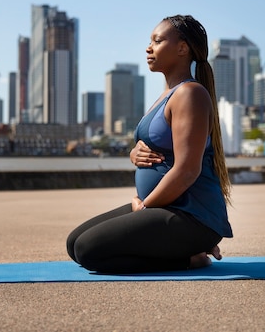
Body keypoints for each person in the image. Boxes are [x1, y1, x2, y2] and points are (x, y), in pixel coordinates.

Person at [66, 15, 233, 273]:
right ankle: (183, 250)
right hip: (163, 208)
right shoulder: (166, 96)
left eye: (157, 41)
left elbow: (188, 170)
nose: (148, 48)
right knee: (74, 243)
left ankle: (190, 258)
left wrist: (144, 207)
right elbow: (156, 143)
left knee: (89, 250)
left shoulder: (190, 94)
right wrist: (135, 153)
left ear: (182, 48)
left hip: (192, 216)